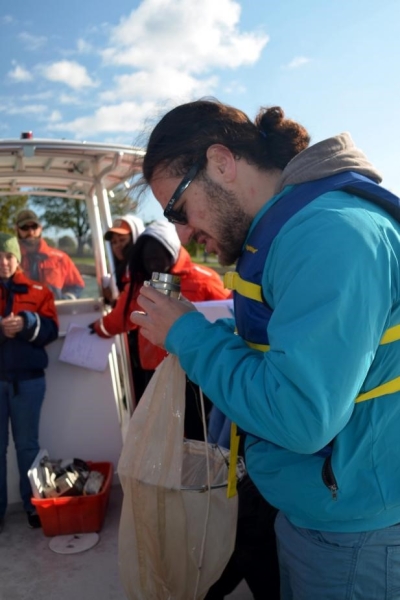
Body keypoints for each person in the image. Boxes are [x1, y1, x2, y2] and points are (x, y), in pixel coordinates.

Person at [130, 99, 400, 599]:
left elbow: (299, 417)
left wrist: (189, 336)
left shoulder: (330, 235)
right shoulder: (286, 236)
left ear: (222, 163)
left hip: (356, 537)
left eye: (178, 211)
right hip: (316, 514)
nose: (182, 235)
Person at [92, 219, 231, 439]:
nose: (153, 263)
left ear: (171, 251)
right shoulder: (140, 282)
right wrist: (98, 328)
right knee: (160, 435)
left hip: (195, 371)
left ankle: (197, 471)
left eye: (158, 256)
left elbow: (228, 315)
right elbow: (122, 318)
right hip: (156, 371)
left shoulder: (204, 279)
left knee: (197, 432)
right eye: (147, 259)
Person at [0, 233, 59, 532]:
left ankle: (33, 505)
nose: (3, 262)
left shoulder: (39, 291)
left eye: (8, 255)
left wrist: (27, 324)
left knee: (27, 447)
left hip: (29, 383)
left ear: (18, 258)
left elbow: (50, 331)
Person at [15, 209, 85, 300]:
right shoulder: (10, 260)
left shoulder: (61, 258)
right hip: (20, 312)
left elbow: (78, 285)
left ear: (40, 228)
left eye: (34, 227)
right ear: (16, 229)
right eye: (24, 227)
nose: (31, 232)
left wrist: (65, 300)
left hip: (54, 311)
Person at [102, 214, 144, 304]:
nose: (117, 246)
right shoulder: (122, 271)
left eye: (122, 240)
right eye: (114, 242)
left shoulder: (144, 273)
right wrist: (111, 300)